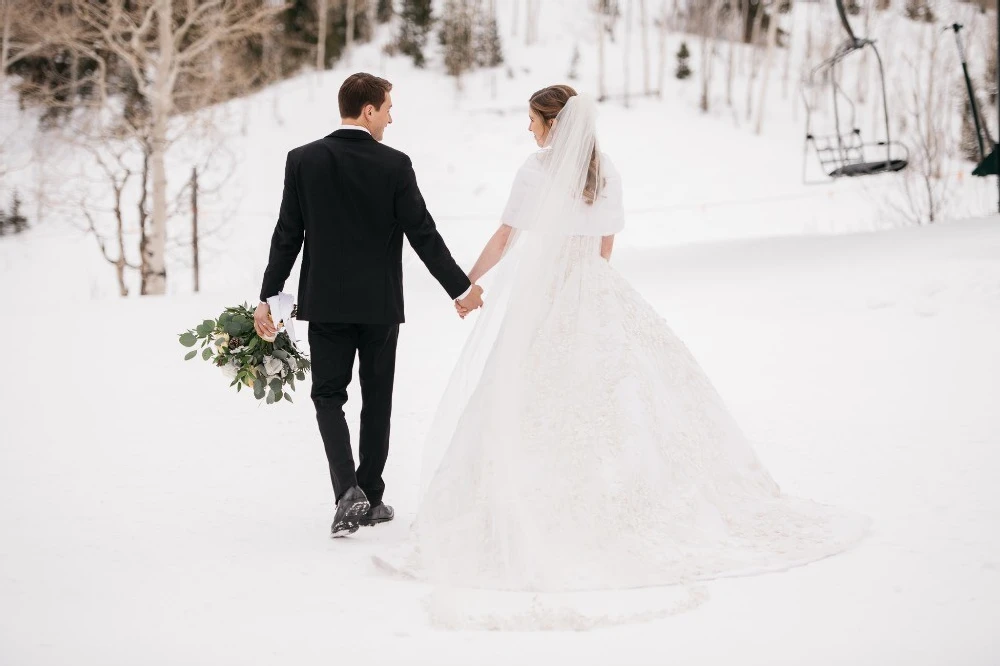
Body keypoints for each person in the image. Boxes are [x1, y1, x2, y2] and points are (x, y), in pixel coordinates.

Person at [382, 85, 868, 598]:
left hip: (546, 293)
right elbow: (605, 242)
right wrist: (588, 290)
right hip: (594, 287)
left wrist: (468, 284)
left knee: (532, 392)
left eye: (532, 120)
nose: (528, 129)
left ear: (552, 124)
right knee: (621, 390)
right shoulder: (604, 169)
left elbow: (508, 235)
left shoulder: (535, 170)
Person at [254, 73, 485, 537]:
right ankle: (372, 497)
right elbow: (423, 234)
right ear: (368, 112)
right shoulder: (395, 165)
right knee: (376, 401)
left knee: (327, 398)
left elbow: (287, 235)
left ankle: (347, 493)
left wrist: (268, 297)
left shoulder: (302, 161)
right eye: (388, 109)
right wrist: (461, 289)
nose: (391, 117)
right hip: (379, 307)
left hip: (326, 305)